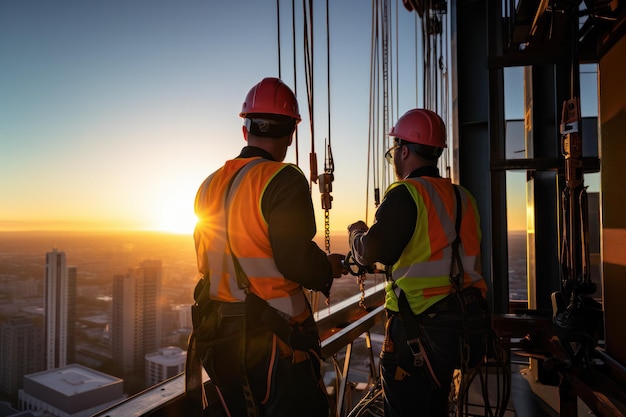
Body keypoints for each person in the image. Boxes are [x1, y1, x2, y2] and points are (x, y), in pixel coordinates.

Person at [188, 77, 346, 417]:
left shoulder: (208, 184)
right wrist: (326, 269)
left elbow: (207, 262)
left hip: (220, 341)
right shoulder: (283, 180)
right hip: (275, 342)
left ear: (245, 130)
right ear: (291, 134)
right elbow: (294, 259)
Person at [347, 108, 491, 417]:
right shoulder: (463, 196)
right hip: (463, 326)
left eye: (395, 151)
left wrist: (356, 232)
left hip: (417, 330)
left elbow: (371, 251)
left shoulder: (407, 194)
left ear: (404, 150)